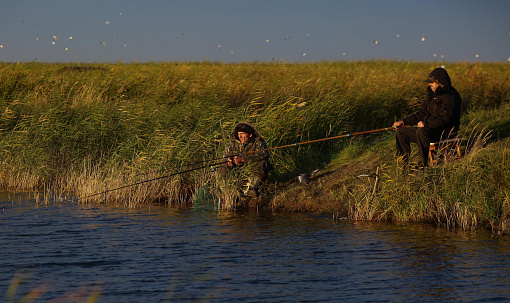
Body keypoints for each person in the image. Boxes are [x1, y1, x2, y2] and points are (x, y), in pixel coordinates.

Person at [392, 67, 462, 170]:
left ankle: (422, 166)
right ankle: (404, 166)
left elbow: (447, 118)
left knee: (421, 131)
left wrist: (427, 124)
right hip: (429, 130)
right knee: (401, 133)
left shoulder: (451, 96)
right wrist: (403, 121)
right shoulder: (431, 94)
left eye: (432, 82)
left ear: (440, 82)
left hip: (445, 132)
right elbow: (422, 113)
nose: (429, 84)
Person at [220, 122, 272, 197]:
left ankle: (252, 189)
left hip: (252, 168)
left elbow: (264, 155)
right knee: (223, 164)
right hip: (237, 169)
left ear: (250, 135)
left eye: (242, 134)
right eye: (238, 134)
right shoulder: (232, 143)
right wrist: (229, 161)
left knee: (263, 163)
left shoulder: (259, 142)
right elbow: (225, 156)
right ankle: (226, 190)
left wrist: (243, 159)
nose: (240, 136)